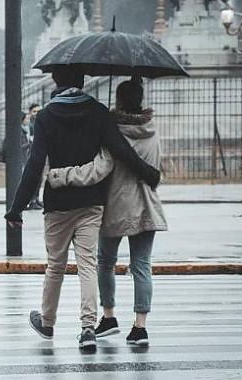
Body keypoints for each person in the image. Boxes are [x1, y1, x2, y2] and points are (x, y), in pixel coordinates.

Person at [4, 66, 161, 352]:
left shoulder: (46, 116)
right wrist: (148, 172)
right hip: (92, 202)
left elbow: (35, 163)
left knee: (55, 266)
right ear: (83, 80)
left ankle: (48, 322)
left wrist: (16, 208)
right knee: (87, 265)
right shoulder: (99, 112)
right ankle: (88, 328)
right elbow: (121, 150)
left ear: (55, 81)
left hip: (58, 203)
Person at [48, 79, 168, 347]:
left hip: (116, 203)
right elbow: (156, 165)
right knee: (142, 266)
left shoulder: (113, 131)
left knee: (104, 262)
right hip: (147, 205)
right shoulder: (152, 129)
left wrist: (63, 177)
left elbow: (101, 168)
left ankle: (109, 316)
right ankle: (140, 327)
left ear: (120, 100)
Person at [28, 103, 45, 210]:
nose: (37, 113)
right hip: (32, 154)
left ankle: (36, 198)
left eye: (39, 111)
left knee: (39, 178)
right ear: (30, 112)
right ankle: (32, 200)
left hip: (40, 153)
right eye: (34, 111)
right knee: (33, 179)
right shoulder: (29, 125)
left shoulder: (42, 122)